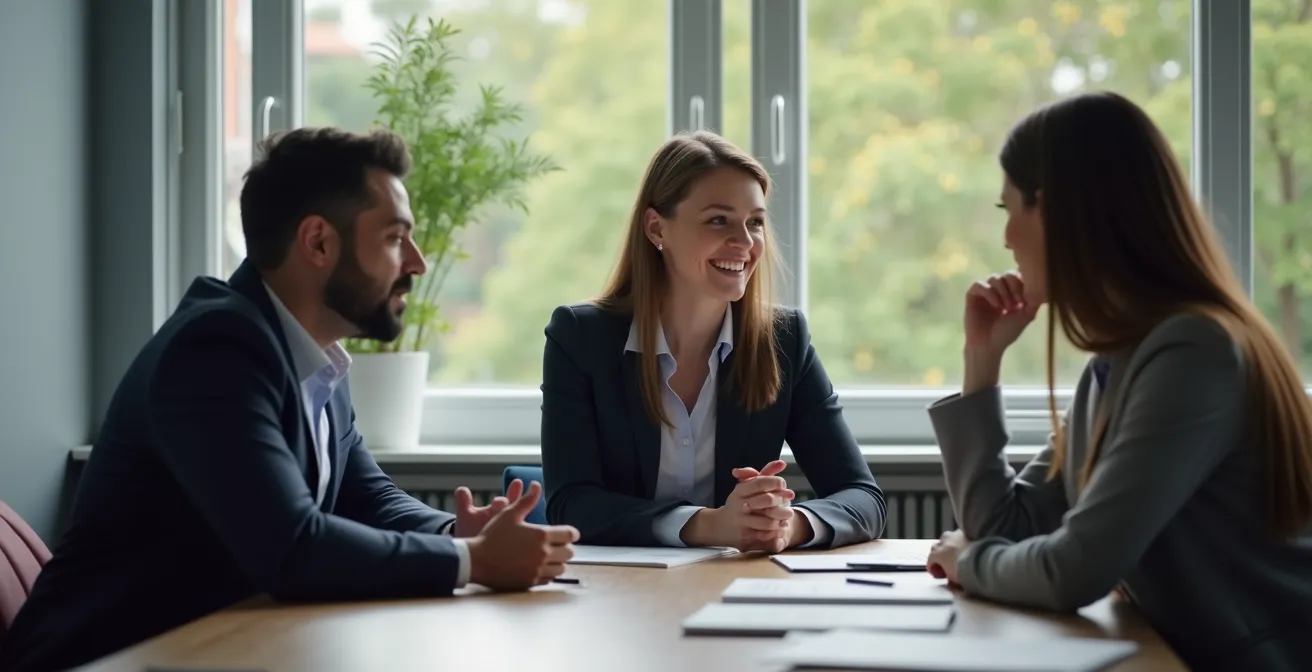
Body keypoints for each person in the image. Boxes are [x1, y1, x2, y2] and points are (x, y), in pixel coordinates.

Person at [0, 128, 579, 672]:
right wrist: (476, 562)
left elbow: (366, 496)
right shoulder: (216, 350)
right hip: (101, 661)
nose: (417, 264)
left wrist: (459, 534)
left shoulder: (310, 351)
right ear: (319, 242)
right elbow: (293, 548)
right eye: (395, 237)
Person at [923, 91, 1312, 670]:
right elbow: (1007, 525)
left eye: (1010, 210)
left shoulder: (1193, 354)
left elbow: (1076, 569)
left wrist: (969, 564)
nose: (1005, 238)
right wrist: (982, 366)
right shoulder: (1116, 364)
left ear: (1054, 211)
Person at [540, 131, 886, 552]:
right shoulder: (580, 339)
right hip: (617, 592)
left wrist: (785, 525)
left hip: (736, 587)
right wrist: (706, 525)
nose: (744, 242)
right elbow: (571, 504)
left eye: (755, 221)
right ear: (656, 228)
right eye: (718, 220)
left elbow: (863, 498)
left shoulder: (784, 340)